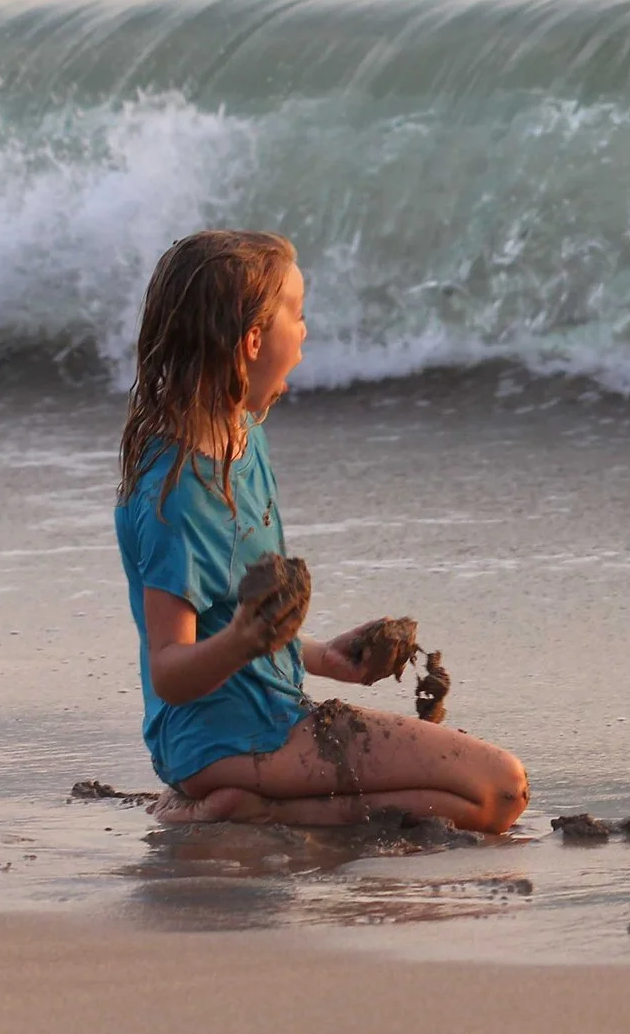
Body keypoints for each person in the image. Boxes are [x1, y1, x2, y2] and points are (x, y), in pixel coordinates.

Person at [113, 229, 529, 832]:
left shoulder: (242, 439)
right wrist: (245, 640)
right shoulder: (176, 494)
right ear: (253, 341)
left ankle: (249, 806)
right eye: (297, 315)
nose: (305, 333)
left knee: (489, 802)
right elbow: (170, 670)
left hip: (261, 721)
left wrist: (326, 657)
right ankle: (244, 800)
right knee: (503, 786)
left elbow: (230, 620)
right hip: (221, 738)